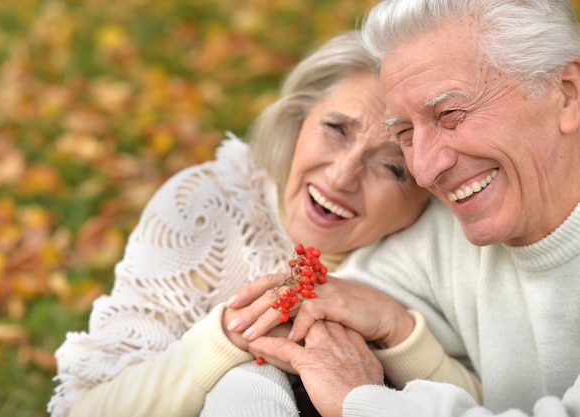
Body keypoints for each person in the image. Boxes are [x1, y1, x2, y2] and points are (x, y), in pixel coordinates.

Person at [48, 31, 481, 417]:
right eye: (336, 129)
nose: (340, 176)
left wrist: (399, 330)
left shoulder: (447, 240)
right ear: (298, 120)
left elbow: (498, 406)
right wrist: (228, 339)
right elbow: (83, 410)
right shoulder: (207, 206)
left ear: (429, 186)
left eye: (391, 167)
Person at [235, 0, 580, 416]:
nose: (425, 169)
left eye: (450, 114)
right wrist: (396, 329)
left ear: (566, 94)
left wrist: (360, 402)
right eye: (404, 133)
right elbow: (284, 341)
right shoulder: (439, 235)